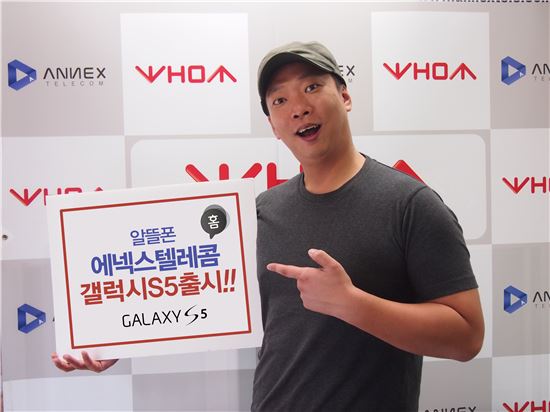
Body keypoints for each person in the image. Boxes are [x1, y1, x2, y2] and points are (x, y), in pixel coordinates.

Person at [53, 41, 484, 411]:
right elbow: (197, 296)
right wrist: (117, 336)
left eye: (312, 87)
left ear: (345, 96)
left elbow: (467, 337)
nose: (298, 107)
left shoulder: (410, 205)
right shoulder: (258, 214)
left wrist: (352, 304)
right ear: (273, 126)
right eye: (279, 100)